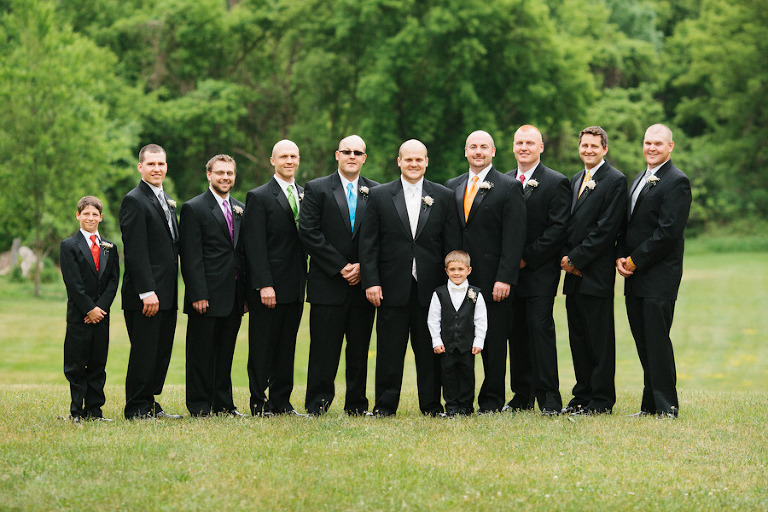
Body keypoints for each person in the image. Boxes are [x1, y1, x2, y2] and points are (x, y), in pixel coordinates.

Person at [360, 139, 460, 417]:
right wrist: (371, 281)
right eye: (408, 159)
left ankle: (431, 406)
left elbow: (451, 244)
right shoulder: (379, 195)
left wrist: (450, 286)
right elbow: (368, 244)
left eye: (419, 159)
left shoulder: (443, 196)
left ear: (426, 162)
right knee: (389, 349)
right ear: (399, 162)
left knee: (430, 349)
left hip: (432, 288)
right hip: (390, 286)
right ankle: (384, 406)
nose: (414, 164)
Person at [445, 130, 526, 413]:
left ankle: (492, 400)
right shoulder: (452, 186)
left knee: (493, 343)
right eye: (473, 147)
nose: (478, 152)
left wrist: (505, 278)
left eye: (484, 147)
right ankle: (460, 399)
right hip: (460, 281)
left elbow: (514, 237)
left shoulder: (509, 186)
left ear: (493, 151)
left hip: (494, 280)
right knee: (459, 340)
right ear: (465, 151)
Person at [299, 135, 379, 416]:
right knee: (323, 349)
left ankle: (356, 405)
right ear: (337, 155)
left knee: (359, 350)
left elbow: (380, 236)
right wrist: (341, 266)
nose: (352, 156)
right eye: (347, 151)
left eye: (358, 152)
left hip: (362, 285)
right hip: (328, 283)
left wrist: (363, 267)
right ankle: (317, 404)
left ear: (364, 158)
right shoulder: (317, 188)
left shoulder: (376, 191)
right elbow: (309, 232)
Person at [617, 124, 691, 419]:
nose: (651, 148)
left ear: (670, 146)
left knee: (657, 341)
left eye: (658, 143)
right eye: (648, 142)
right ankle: (649, 406)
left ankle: (667, 406)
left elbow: (668, 232)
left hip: (659, 276)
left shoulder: (677, 181)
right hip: (635, 275)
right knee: (643, 341)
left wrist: (635, 260)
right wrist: (621, 256)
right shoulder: (640, 178)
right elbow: (630, 225)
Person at [561, 126, 627, 415]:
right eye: (584, 145)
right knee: (578, 338)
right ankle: (581, 396)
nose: (588, 150)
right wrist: (565, 258)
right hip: (573, 274)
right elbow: (569, 225)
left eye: (594, 146)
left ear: (605, 149)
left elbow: (606, 229)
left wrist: (575, 259)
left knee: (599, 339)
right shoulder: (576, 179)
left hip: (596, 273)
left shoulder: (615, 180)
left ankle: (601, 400)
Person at [505, 125, 570, 415]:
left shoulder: (555, 182)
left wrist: (525, 258)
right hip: (509, 275)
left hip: (540, 272)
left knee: (539, 331)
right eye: (519, 142)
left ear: (541, 147)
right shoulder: (504, 180)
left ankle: (549, 399)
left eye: (530, 143)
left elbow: (557, 229)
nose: (524, 147)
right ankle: (521, 396)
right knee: (516, 333)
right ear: (513, 147)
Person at [241, 139, 307, 417]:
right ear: (272, 161)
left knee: (286, 346)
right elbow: (254, 245)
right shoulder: (259, 196)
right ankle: (258, 402)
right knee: (262, 346)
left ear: (298, 160)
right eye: (283, 157)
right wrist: (264, 285)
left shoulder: (305, 195)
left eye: (293, 156)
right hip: (268, 286)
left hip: (295, 285)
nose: (289, 161)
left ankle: (282, 402)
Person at [179, 154, 246, 417]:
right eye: (220, 172)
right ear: (209, 175)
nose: (225, 177)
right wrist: (198, 293)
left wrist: (245, 294)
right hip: (205, 295)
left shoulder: (240, 208)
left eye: (229, 173)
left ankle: (224, 404)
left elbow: (242, 254)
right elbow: (191, 256)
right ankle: (199, 405)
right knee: (201, 353)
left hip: (234, 295)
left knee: (225, 353)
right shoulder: (194, 208)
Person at [120, 144, 182, 419]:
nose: (157, 169)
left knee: (160, 352)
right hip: (146, 294)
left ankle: (149, 404)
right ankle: (136, 407)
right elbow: (135, 251)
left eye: (161, 164)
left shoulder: (165, 199)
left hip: (167, 292)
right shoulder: (134, 200)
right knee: (144, 352)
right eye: (151, 164)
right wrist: (147, 291)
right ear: (140, 167)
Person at [59, 196, 120, 422]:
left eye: (95, 214)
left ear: (101, 217)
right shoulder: (69, 246)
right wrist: (89, 309)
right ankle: (77, 411)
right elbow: (73, 283)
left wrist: (100, 309)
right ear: (78, 215)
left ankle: (95, 411)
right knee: (76, 364)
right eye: (86, 214)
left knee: (97, 364)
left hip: (101, 316)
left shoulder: (110, 247)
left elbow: (113, 281)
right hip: (80, 316)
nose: (90, 218)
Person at [427, 250, 486, 417]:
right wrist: (436, 341)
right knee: (448, 375)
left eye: (461, 269)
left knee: (467, 375)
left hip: (467, 345)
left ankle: (466, 407)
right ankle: (452, 407)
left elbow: (481, 319)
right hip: (447, 345)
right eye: (452, 269)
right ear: (446, 271)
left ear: (469, 270)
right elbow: (433, 319)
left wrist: (479, 341)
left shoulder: (475, 293)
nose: (456, 273)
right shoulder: (439, 293)